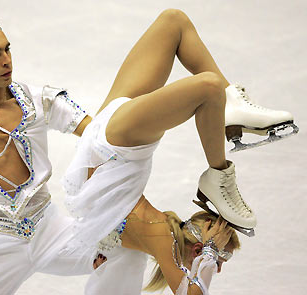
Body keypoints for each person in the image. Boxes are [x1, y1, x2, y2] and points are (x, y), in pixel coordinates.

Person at [0, 17, 148, 295]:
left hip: (51, 230)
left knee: (128, 249)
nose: (7, 61)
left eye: (7, 50)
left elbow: (101, 135)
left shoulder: (39, 100)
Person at [62, 8, 296, 293]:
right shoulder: (161, 236)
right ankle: (226, 135)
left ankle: (223, 149)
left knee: (201, 72)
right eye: (221, 259)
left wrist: (210, 250)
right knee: (178, 30)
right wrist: (210, 253)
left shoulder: (160, 235)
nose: (218, 268)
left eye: (221, 260)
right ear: (198, 247)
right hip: (109, 144)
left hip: (116, 144)